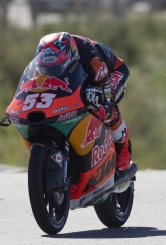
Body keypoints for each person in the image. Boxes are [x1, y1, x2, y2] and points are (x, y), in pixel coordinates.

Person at [34, 32, 131, 172]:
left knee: (103, 107)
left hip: (111, 72)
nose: (52, 71)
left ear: (69, 58)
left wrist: (100, 99)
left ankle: (123, 150)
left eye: (56, 67)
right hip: (82, 76)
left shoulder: (90, 56)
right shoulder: (43, 61)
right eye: (48, 68)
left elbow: (105, 91)